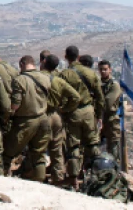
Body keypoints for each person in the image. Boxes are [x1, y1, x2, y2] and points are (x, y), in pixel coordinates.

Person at [60, 45, 105, 184]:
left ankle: (73, 179)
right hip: (89, 112)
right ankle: (99, 175)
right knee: (93, 144)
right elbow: (100, 97)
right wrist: (99, 115)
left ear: (66, 57)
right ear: (78, 56)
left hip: (73, 113)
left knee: (73, 145)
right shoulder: (90, 73)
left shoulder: (65, 74)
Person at [2, 55, 51, 182]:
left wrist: (8, 115)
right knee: (39, 154)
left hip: (25, 122)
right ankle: (40, 181)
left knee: (8, 153)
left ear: (22, 64)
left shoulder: (19, 80)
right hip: (43, 119)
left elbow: (15, 105)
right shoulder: (46, 78)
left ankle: (1, 179)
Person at [41, 54, 80, 185]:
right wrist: (65, 109)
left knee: (38, 147)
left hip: (42, 116)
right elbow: (75, 97)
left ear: (43, 62)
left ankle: (37, 177)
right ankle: (57, 179)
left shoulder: (37, 78)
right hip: (56, 117)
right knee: (57, 149)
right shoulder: (58, 81)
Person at [98, 60, 123, 159]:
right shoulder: (98, 84)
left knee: (113, 146)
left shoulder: (114, 85)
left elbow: (107, 103)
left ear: (110, 70)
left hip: (111, 119)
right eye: (101, 69)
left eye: (105, 69)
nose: (103, 71)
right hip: (99, 119)